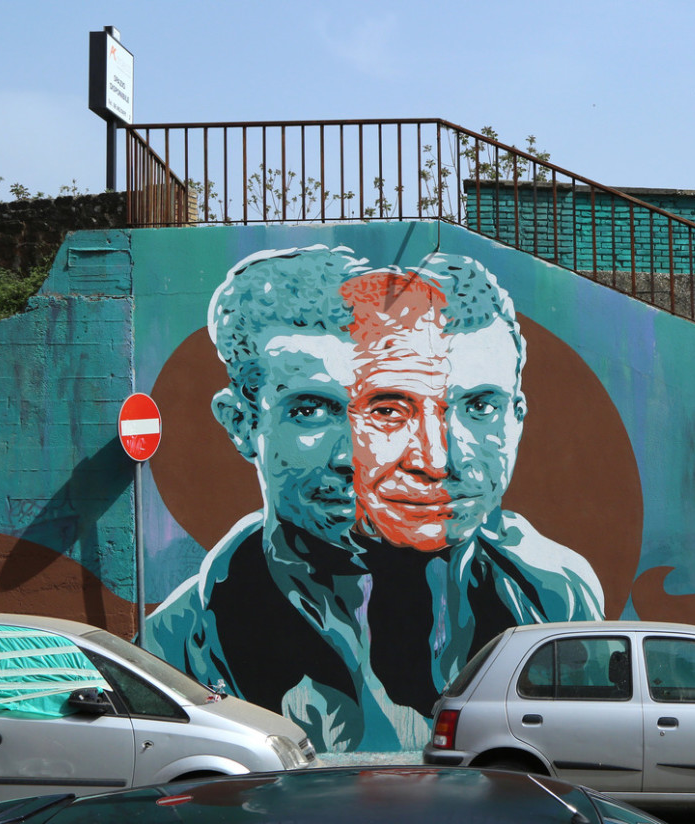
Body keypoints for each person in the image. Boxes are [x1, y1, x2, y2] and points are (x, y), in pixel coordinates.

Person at [146, 244, 603, 753]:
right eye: (312, 410)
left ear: (517, 417)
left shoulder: (557, 596)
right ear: (241, 423)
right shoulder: (177, 643)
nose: (438, 459)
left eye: (480, 406)